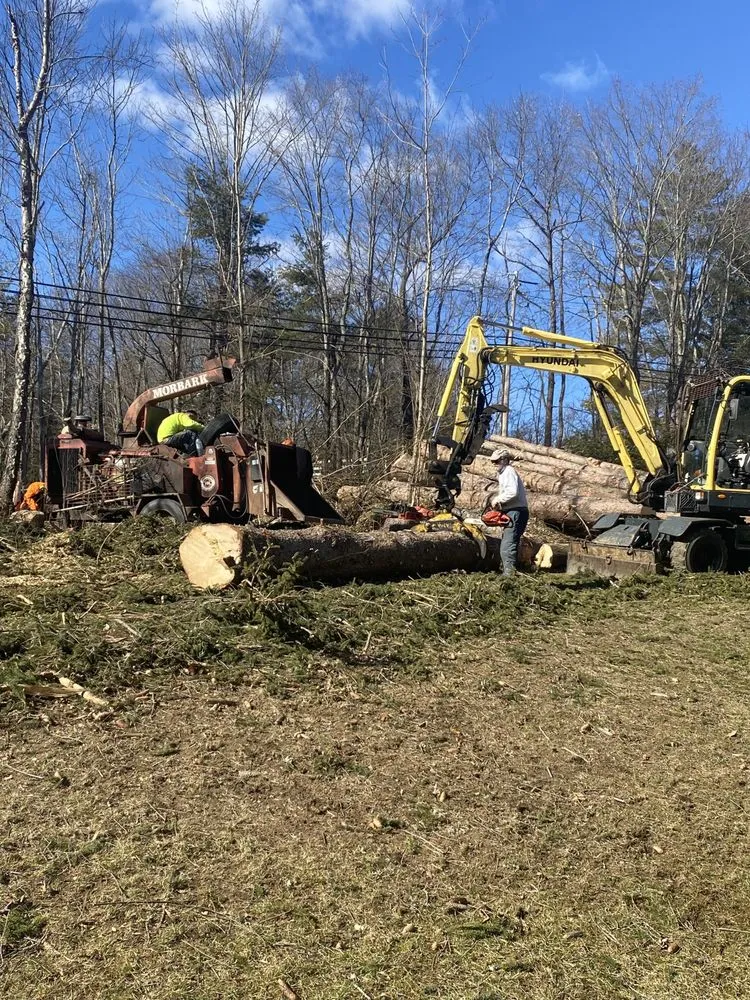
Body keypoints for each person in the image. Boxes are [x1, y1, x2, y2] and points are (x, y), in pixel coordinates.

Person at [488, 447, 529, 576]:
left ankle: (509, 575)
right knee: (510, 542)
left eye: (496, 461)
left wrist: (498, 500)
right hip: (513, 511)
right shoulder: (504, 473)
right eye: (493, 462)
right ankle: (510, 571)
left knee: (507, 544)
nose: (494, 464)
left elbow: (512, 492)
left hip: (516, 511)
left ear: (504, 460)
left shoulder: (509, 471)